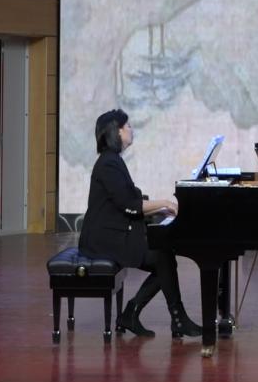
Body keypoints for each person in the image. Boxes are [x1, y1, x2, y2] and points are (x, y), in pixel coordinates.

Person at [78, 109, 201, 338]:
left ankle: (143, 314)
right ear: (117, 132)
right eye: (128, 126)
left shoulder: (113, 160)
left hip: (114, 233)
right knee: (163, 258)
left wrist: (160, 209)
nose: (131, 130)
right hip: (104, 240)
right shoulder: (108, 164)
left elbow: (129, 201)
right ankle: (170, 318)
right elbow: (128, 204)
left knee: (164, 257)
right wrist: (164, 203)